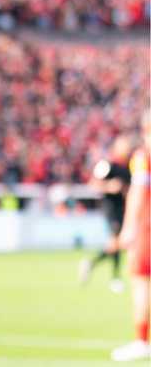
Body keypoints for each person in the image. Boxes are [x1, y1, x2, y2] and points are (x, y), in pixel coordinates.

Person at [111, 111, 151, 362]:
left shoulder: (143, 157)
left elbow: (137, 193)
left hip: (147, 229)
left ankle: (141, 340)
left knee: (141, 282)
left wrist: (128, 227)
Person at [80, 135, 131, 292]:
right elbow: (93, 184)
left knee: (117, 244)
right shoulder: (107, 166)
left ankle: (91, 263)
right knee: (116, 242)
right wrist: (110, 186)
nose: (127, 149)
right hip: (111, 210)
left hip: (124, 210)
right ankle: (115, 278)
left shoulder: (129, 167)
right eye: (124, 146)